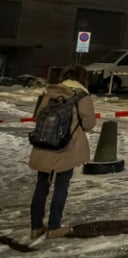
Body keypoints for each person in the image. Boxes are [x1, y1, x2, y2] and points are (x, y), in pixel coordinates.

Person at [29, 65, 97, 239]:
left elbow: (38, 116)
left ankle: (36, 227)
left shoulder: (50, 92)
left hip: (45, 144)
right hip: (66, 146)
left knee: (41, 185)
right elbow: (89, 124)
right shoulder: (82, 96)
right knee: (61, 185)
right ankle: (54, 226)